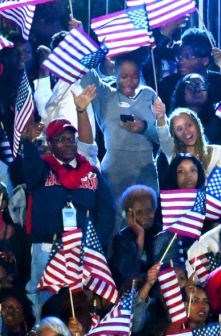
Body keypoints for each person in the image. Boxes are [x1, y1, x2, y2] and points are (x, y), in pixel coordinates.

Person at [20, 118, 116, 315]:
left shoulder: (90, 173)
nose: (68, 143)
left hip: (82, 247)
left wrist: (96, 242)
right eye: (61, 139)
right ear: (50, 144)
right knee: (44, 296)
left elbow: (107, 210)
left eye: (71, 138)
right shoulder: (42, 168)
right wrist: (29, 145)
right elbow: (29, 174)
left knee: (79, 300)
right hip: (48, 245)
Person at [81, 52, 161, 195]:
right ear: (115, 73)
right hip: (115, 171)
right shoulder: (105, 94)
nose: (130, 82)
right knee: (117, 215)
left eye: (135, 76)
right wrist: (97, 50)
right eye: (124, 76)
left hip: (146, 169)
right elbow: (82, 68)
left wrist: (144, 128)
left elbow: (165, 138)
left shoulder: (149, 95)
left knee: (146, 214)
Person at [154, 104, 221, 175]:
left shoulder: (218, 152)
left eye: (189, 125)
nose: (186, 131)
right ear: (174, 135)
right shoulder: (172, 153)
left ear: (197, 125)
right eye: (179, 129)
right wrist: (161, 117)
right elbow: (163, 135)